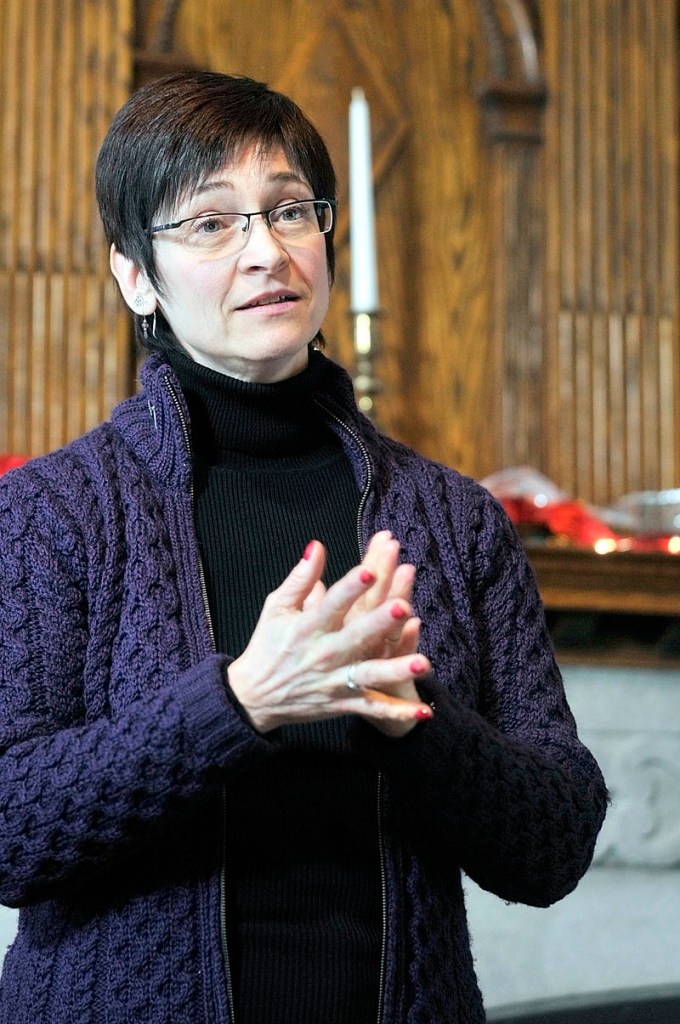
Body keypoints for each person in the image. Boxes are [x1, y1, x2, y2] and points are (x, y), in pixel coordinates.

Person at [0, 71, 607, 1024]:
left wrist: (423, 725)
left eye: (289, 211)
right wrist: (239, 703)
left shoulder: (453, 519)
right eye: (211, 222)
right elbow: (8, 829)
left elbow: (556, 845)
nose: (265, 251)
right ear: (133, 274)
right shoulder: (50, 514)